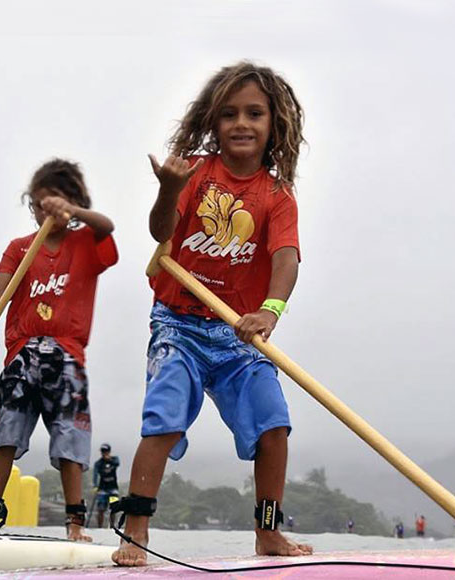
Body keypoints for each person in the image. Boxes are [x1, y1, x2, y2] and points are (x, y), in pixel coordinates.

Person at [112, 61, 309, 566]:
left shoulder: (277, 196)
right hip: (178, 323)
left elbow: (286, 259)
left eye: (254, 113)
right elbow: (162, 233)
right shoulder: (196, 172)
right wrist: (169, 190)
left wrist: (269, 311)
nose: (241, 123)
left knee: (273, 424)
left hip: (238, 333)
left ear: (274, 125)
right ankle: (135, 531)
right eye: (229, 114)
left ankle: (268, 534)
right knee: (165, 416)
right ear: (212, 122)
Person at [0, 159, 118, 542]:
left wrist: (73, 212)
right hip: (22, 355)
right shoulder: (19, 249)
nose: (48, 210)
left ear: (73, 205)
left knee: (70, 438)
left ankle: (75, 525)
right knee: (6, 433)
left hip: (66, 357)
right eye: (40, 204)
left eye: (58, 203)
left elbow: (106, 226)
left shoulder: (86, 243)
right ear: (32, 205)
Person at [92, 443, 120, 528]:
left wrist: (109, 460)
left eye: (106, 451)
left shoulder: (115, 459)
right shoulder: (98, 463)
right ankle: (99, 526)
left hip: (113, 488)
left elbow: (117, 463)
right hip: (102, 489)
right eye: (103, 451)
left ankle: (112, 526)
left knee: (114, 507)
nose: (104, 453)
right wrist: (95, 486)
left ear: (109, 451)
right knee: (101, 508)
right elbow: (95, 474)